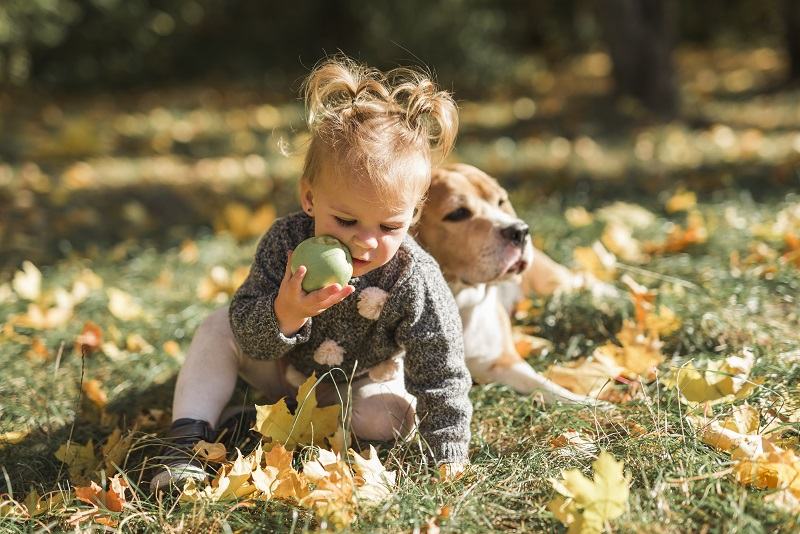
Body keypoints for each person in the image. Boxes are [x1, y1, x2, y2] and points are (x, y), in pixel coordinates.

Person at [150, 56, 472, 492]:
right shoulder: (286, 242)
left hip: (359, 383)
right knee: (216, 327)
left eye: (390, 227)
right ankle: (189, 442)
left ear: (413, 217)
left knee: (387, 419)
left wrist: (448, 454)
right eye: (345, 220)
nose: (366, 241)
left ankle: (267, 422)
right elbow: (248, 333)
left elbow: (442, 369)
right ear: (309, 198)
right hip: (282, 367)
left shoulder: (412, 277)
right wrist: (285, 312)